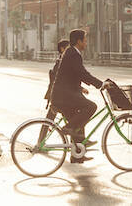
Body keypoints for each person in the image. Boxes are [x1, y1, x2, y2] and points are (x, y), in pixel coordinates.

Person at [50, 29, 110, 164]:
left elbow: (75, 75)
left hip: (65, 94)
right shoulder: (73, 54)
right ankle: (68, 128)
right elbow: (82, 73)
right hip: (64, 96)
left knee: (78, 123)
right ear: (79, 41)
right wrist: (100, 84)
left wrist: (82, 88)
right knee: (91, 107)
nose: (86, 43)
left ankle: (78, 155)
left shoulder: (71, 52)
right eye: (85, 40)